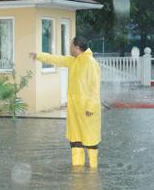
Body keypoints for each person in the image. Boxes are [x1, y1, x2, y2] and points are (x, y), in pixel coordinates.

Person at [29, 36, 101, 168]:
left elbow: (94, 88)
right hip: (74, 109)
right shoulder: (73, 61)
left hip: (87, 110)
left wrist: (91, 107)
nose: (69, 48)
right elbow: (56, 59)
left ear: (77, 48)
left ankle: (93, 171)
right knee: (76, 139)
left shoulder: (91, 63)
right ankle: (77, 170)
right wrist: (39, 55)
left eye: (71, 46)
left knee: (90, 140)